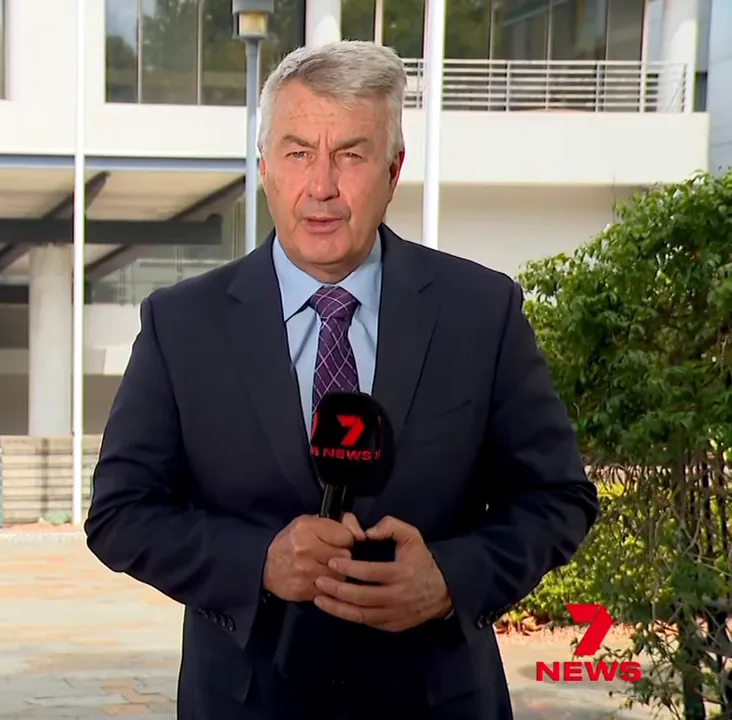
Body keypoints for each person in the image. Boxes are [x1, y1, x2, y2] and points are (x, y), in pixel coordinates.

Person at [84, 41, 599, 720]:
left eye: (350, 154)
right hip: (245, 702)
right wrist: (260, 561)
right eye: (298, 152)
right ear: (265, 166)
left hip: (438, 698)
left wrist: (450, 577)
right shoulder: (182, 325)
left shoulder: (481, 311)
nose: (321, 185)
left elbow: (558, 498)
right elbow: (121, 515)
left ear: (393, 170)